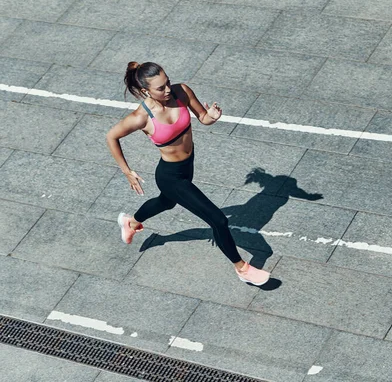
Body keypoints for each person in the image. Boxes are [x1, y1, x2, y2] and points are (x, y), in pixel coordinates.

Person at [106, 61, 270, 286]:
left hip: (187, 166)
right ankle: (242, 268)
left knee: (167, 203)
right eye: (160, 88)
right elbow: (111, 136)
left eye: (168, 83)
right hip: (170, 176)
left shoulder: (181, 92)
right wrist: (127, 171)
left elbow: (203, 118)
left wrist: (211, 117)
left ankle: (131, 222)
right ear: (146, 91)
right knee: (218, 220)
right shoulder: (141, 117)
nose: (167, 90)